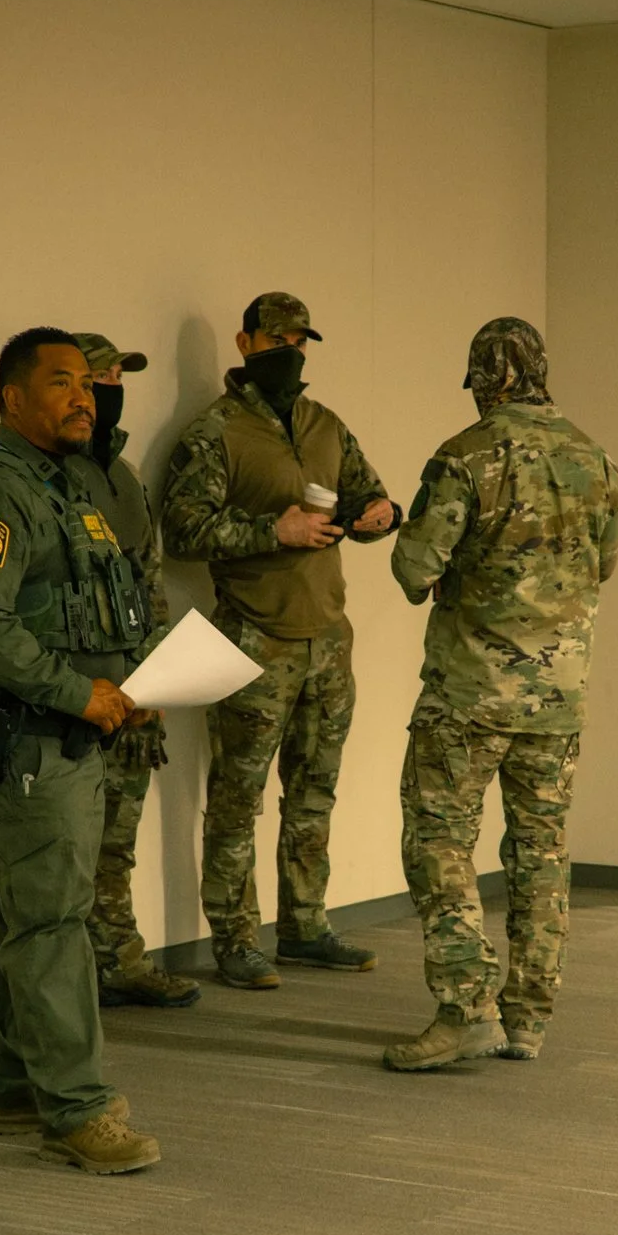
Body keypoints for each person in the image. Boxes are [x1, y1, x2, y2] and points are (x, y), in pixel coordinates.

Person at [0, 327, 163, 1174]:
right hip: (28, 741)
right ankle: (77, 1109)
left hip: (73, 739)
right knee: (53, 924)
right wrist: (77, 692)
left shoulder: (70, 487)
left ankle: (18, 1087)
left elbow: (95, 605)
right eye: (62, 382)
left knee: (24, 913)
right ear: (13, 397)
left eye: (88, 386)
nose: (83, 398)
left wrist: (132, 680)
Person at [383, 318, 618, 1071]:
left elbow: (414, 570)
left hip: (469, 695)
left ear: (493, 378)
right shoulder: (595, 458)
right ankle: (528, 1016)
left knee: (439, 839)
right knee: (540, 849)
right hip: (558, 699)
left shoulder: (465, 457)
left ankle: (466, 1008)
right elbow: (604, 563)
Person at [160, 292, 398, 990]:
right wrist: (275, 530)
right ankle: (236, 941)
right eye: (276, 340)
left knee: (314, 792)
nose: (288, 352)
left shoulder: (325, 424)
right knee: (238, 800)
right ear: (245, 344)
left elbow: (368, 495)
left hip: (328, 639)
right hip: (252, 639)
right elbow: (182, 532)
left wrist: (380, 515)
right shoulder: (215, 432)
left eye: (298, 341)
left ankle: (305, 927)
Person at [68, 332, 200, 1009]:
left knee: (118, 837)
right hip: (73, 691)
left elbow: (147, 581)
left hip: (131, 687)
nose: (111, 390)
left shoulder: (123, 476)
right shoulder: (45, 475)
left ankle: (117, 961)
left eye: (120, 378)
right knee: (67, 846)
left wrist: (156, 674)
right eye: (101, 378)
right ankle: (71, 973)